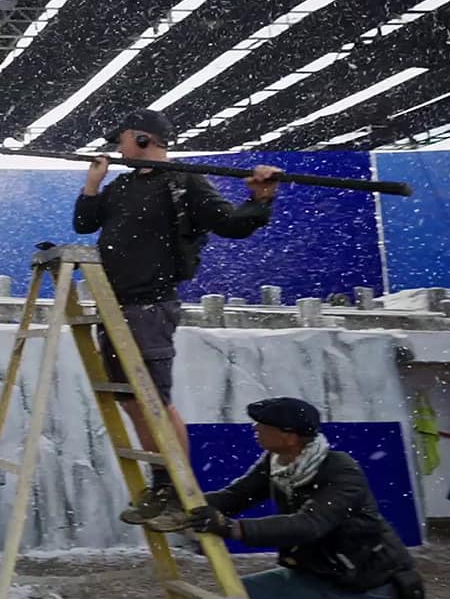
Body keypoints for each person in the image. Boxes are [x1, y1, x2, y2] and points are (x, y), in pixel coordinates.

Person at [72, 108, 281, 531]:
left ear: (143, 139)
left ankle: (178, 491)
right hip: (115, 306)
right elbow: (84, 223)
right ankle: (162, 481)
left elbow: (230, 224)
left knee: (153, 400)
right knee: (132, 401)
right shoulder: (123, 184)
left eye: (122, 138)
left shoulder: (184, 182)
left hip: (150, 306)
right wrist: (93, 184)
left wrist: (260, 199)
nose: (117, 147)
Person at [188, 397, 425, 599]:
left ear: (290, 436)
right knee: (238, 591)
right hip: (319, 571)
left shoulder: (341, 471)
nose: (255, 428)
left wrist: (233, 528)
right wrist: (186, 503)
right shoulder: (277, 463)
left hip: (366, 581)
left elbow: (310, 524)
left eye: (263, 425)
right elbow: (237, 496)